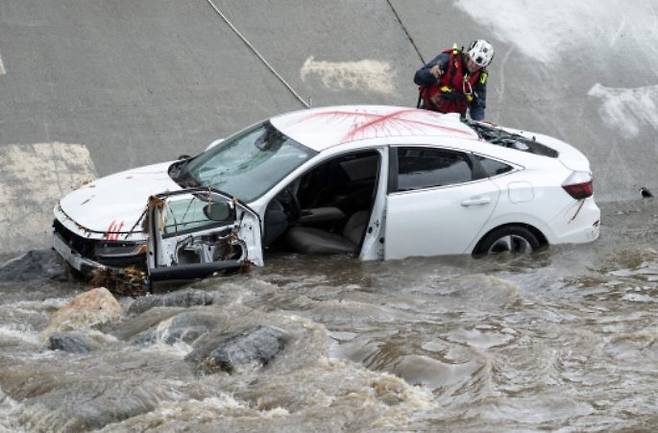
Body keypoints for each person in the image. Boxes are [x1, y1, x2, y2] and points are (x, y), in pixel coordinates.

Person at [414, 40, 494, 121]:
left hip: (454, 122)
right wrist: (430, 73)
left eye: (478, 66)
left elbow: (478, 105)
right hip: (430, 112)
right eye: (472, 61)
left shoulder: (480, 76)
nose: (473, 66)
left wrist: (480, 121)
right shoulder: (448, 59)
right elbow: (417, 78)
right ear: (468, 54)